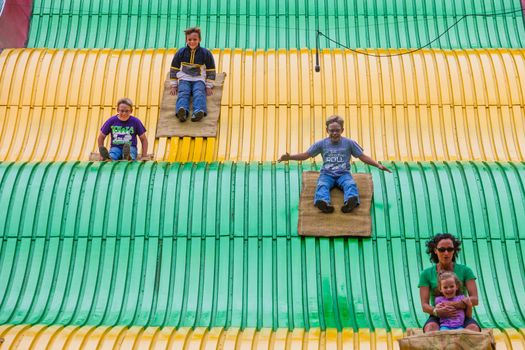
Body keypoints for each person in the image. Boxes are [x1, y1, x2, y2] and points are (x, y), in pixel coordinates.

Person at [278, 115, 391, 213]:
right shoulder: (321, 144)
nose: (335, 133)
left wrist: (378, 165)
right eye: (332, 131)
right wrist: (289, 157)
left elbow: (362, 156)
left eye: (337, 130)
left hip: (343, 174)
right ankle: (324, 204)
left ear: (342, 130)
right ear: (327, 130)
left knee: (350, 185)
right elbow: (306, 155)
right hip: (327, 174)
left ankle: (350, 202)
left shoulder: (349, 143)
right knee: (322, 186)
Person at [418, 233, 481, 332]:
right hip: (438, 315)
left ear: (454, 250)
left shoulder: (465, 270)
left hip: (461, 315)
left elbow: (475, 299)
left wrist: (451, 305)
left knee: (473, 329)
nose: (446, 253)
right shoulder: (426, 274)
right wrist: (436, 311)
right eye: (442, 250)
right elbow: (424, 305)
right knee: (430, 328)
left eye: (450, 249)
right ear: (435, 251)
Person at [169, 27, 216, 122]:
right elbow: (174, 68)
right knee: (183, 92)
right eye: (189, 40)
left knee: (199, 93)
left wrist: (208, 86)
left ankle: (199, 111)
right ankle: (182, 111)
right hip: (184, 78)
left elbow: (211, 70)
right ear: (186, 40)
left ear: (199, 40)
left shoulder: (205, 53)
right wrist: (174, 85)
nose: (192, 42)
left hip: (198, 79)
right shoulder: (180, 52)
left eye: (195, 39)